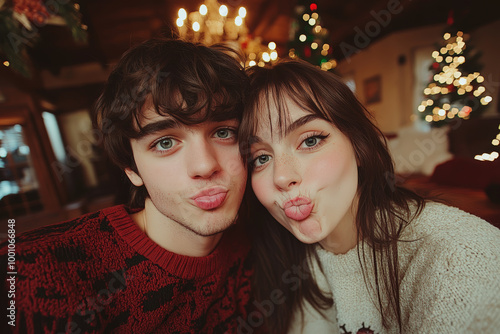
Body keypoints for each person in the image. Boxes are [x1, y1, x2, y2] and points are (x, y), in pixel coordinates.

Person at [0, 38, 253, 333]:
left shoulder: (262, 239)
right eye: (165, 142)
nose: (204, 166)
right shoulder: (26, 276)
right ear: (131, 168)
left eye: (224, 132)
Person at [239, 59, 500, 334]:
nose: (281, 177)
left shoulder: (457, 255)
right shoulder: (286, 258)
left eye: (311, 140)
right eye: (262, 158)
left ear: (359, 146)